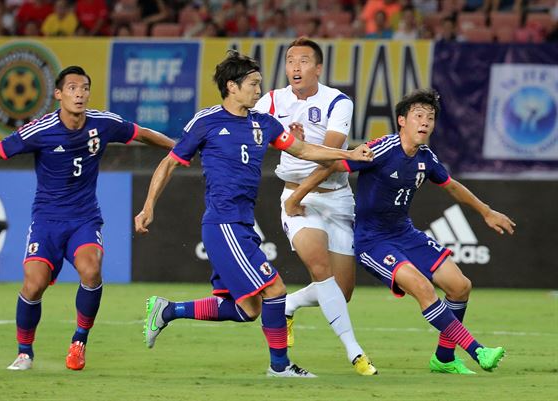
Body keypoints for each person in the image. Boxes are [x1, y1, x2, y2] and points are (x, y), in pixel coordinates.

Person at [134, 50, 373, 378]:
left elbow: (303, 150)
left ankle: (167, 311)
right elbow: (169, 162)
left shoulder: (265, 124)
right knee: (275, 290)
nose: (259, 91)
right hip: (223, 223)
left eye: (260, 84)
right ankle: (280, 366)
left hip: (242, 224)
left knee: (247, 308)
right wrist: (148, 207)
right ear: (232, 87)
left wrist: (349, 153)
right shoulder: (207, 122)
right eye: (253, 84)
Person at [0, 66, 175, 371]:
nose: (79, 94)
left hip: (84, 220)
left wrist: (181, 149)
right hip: (46, 222)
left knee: (92, 270)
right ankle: (24, 352)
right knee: (34, 284)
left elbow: (143, 134)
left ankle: (79, 342)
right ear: (58, 94)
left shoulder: (103, 123)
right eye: (71, 88)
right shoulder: (39, 131)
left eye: (84, 88)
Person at [285, 88, 515, 374]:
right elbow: (331, 167)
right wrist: (296, 198)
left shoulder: (426, 158)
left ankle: (443, 359)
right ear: (402, 120)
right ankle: (477, 350)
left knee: (460, 286)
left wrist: (486, 211)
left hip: (404, 233)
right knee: (422, 288)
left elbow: (452, 186)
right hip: (373, 241)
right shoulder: (381, 149)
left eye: (430, 118)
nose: (425, 123)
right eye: (419, 116)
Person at [253, 37, 377, 376]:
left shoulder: (339, 101)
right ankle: (355, 353)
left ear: (318, 68)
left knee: (343, 290)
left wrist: (301, 144)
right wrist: (293, 196)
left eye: (304, 60)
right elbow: (247, 133)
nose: (295, 66)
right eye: (290, 59)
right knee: (320, 267)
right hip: (297, 200)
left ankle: (289, 304)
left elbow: (333, 159)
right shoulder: (271, 101)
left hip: (335, 198)